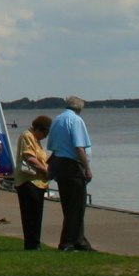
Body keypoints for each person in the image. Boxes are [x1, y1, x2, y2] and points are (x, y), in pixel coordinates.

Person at [47, 96, 94, 251]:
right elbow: (79, 147)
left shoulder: (56, 120)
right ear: (79, 108)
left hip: (60, 164)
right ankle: (67, 242)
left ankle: (79, 240)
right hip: (73, 165)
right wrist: (87, 168)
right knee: (77, 206)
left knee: (68, 205)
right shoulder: (76, 121)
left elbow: (53, 147)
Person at [13, 115, 52, 250]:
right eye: (45, 133)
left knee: (36, 214)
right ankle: (31, 244)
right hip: (28, 182)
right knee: (30, 215)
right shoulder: (27, 136)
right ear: (40, 129)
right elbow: (29, 157)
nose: (46, 136)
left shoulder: (36, 139)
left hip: (38, 182)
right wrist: (45, 170)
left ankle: (35, 243)